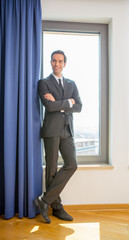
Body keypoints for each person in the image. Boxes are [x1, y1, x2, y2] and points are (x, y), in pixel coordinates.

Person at [35, 50, 82, 223]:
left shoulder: (72, 84)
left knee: (72, 164)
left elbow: (79, 106)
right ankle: (56, 207)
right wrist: (68, 102)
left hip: (67, 130)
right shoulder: (43, 83)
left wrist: (60, 104)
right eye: (54, 61)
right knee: (52, 169)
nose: (57, 64)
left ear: (65, 64)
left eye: (60, 61)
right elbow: (49, 106)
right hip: (51, 131)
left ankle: (45, 200)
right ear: (50, 62)